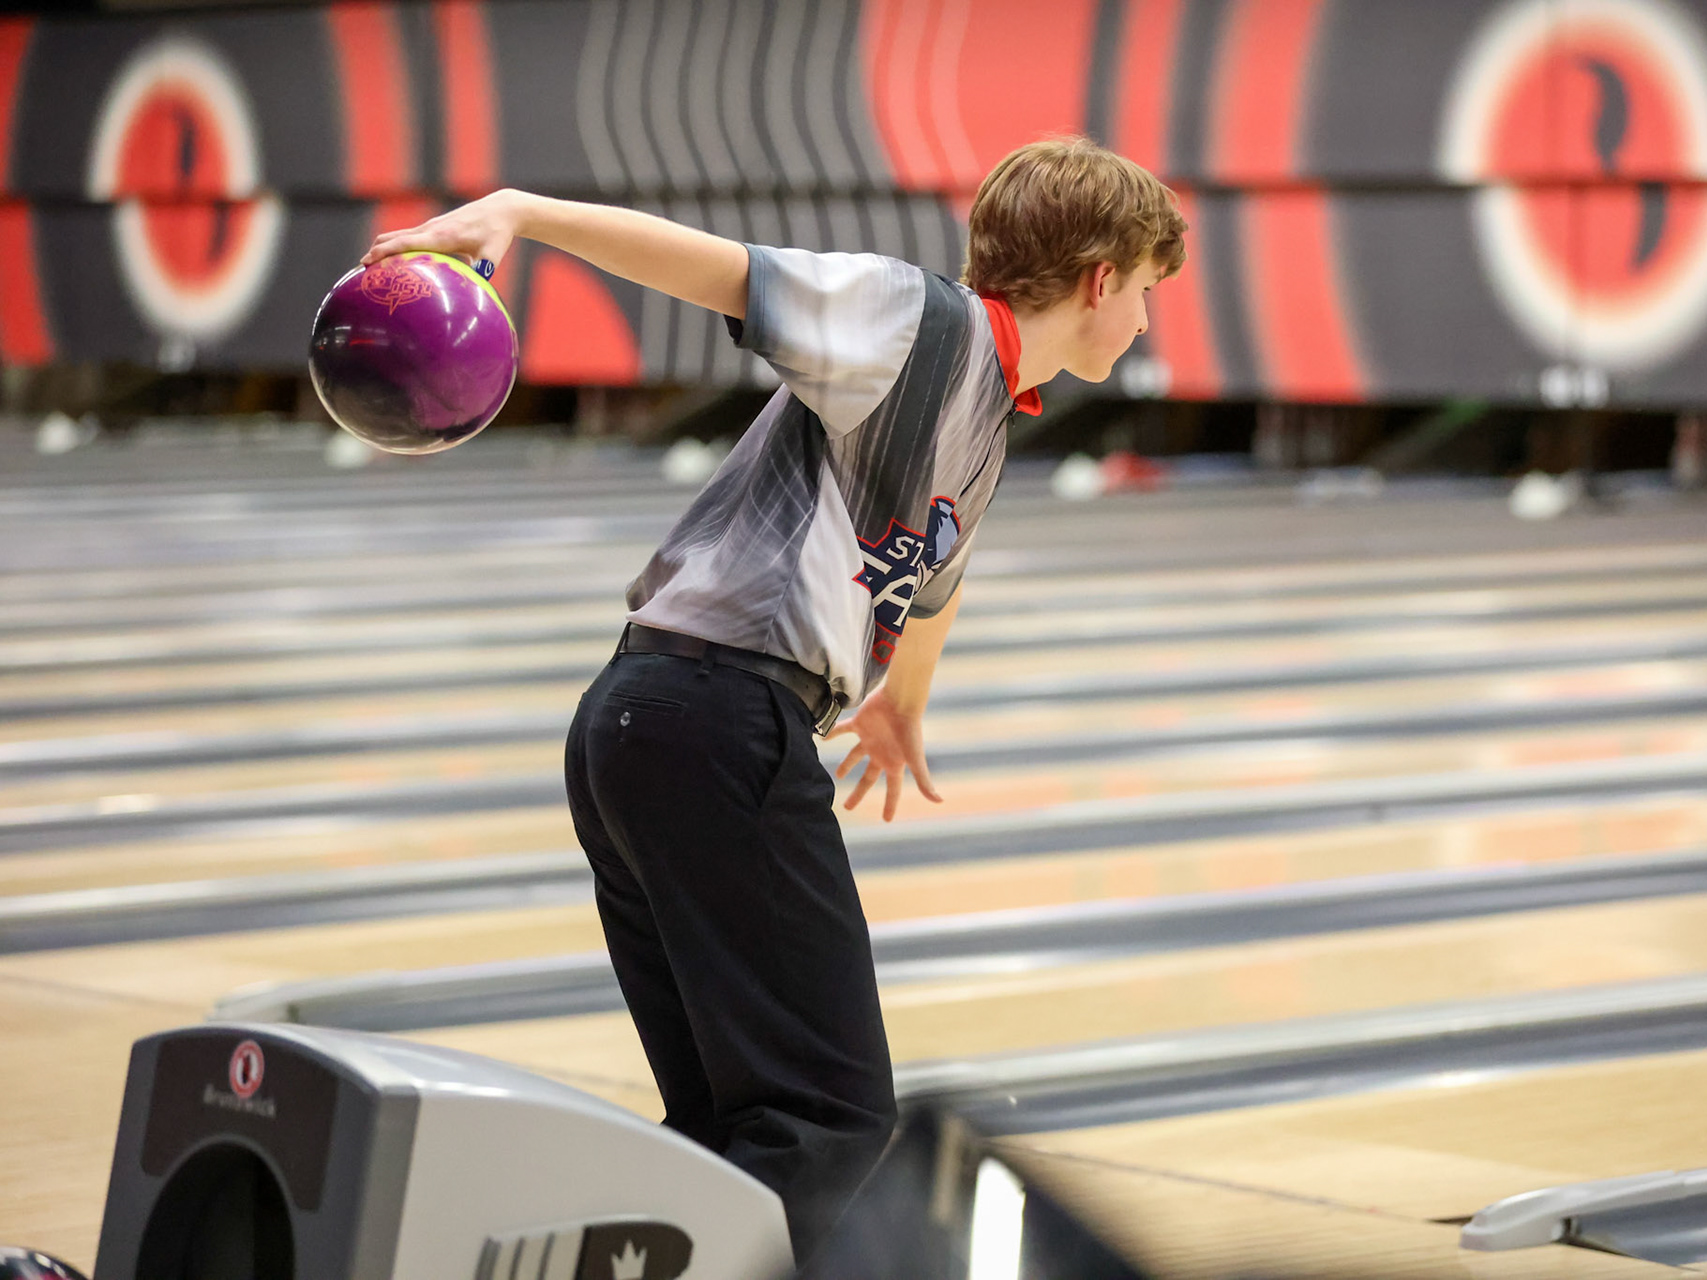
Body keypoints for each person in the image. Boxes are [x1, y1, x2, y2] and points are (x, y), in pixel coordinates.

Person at [360, 136, 1187, 1265]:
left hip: (651, 721)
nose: (1145, 319)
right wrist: (524, 209)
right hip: (713, 717)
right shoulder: (912, 324)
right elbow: (726, 272)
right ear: (1101, 278)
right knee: (829, 1114)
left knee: (728, 1125)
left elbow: (932, 579)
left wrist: (902, 702)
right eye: (1145, 291)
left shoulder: (993, 401)